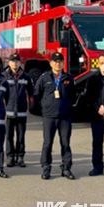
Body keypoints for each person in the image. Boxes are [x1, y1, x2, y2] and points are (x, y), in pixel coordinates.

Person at [33, 52, 76, 180]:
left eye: (60, 61)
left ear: (63, 63)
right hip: (49, 116)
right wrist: (45, 106)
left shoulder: (68, 78)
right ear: (51, 63)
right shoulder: (44, 78)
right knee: (47, 143)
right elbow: (37, 94)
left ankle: (66, 168)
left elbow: (73, 95)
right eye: (55, 61)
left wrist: (67, 106)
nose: (58, 64)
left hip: (65, 117)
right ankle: (46, 168)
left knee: (65, 143)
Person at [4, 53, 34, 168]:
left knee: (21, 137)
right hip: (8, 112)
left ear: (20, 63)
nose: (15, 64)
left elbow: (31, 94)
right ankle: (10, 157)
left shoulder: (26, 77)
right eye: (13, 61)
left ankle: (20, 157)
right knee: (9, 136)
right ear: (9, 63)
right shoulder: (4, 76)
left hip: (21, 112)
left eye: (17, 61)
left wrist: (30, 107)